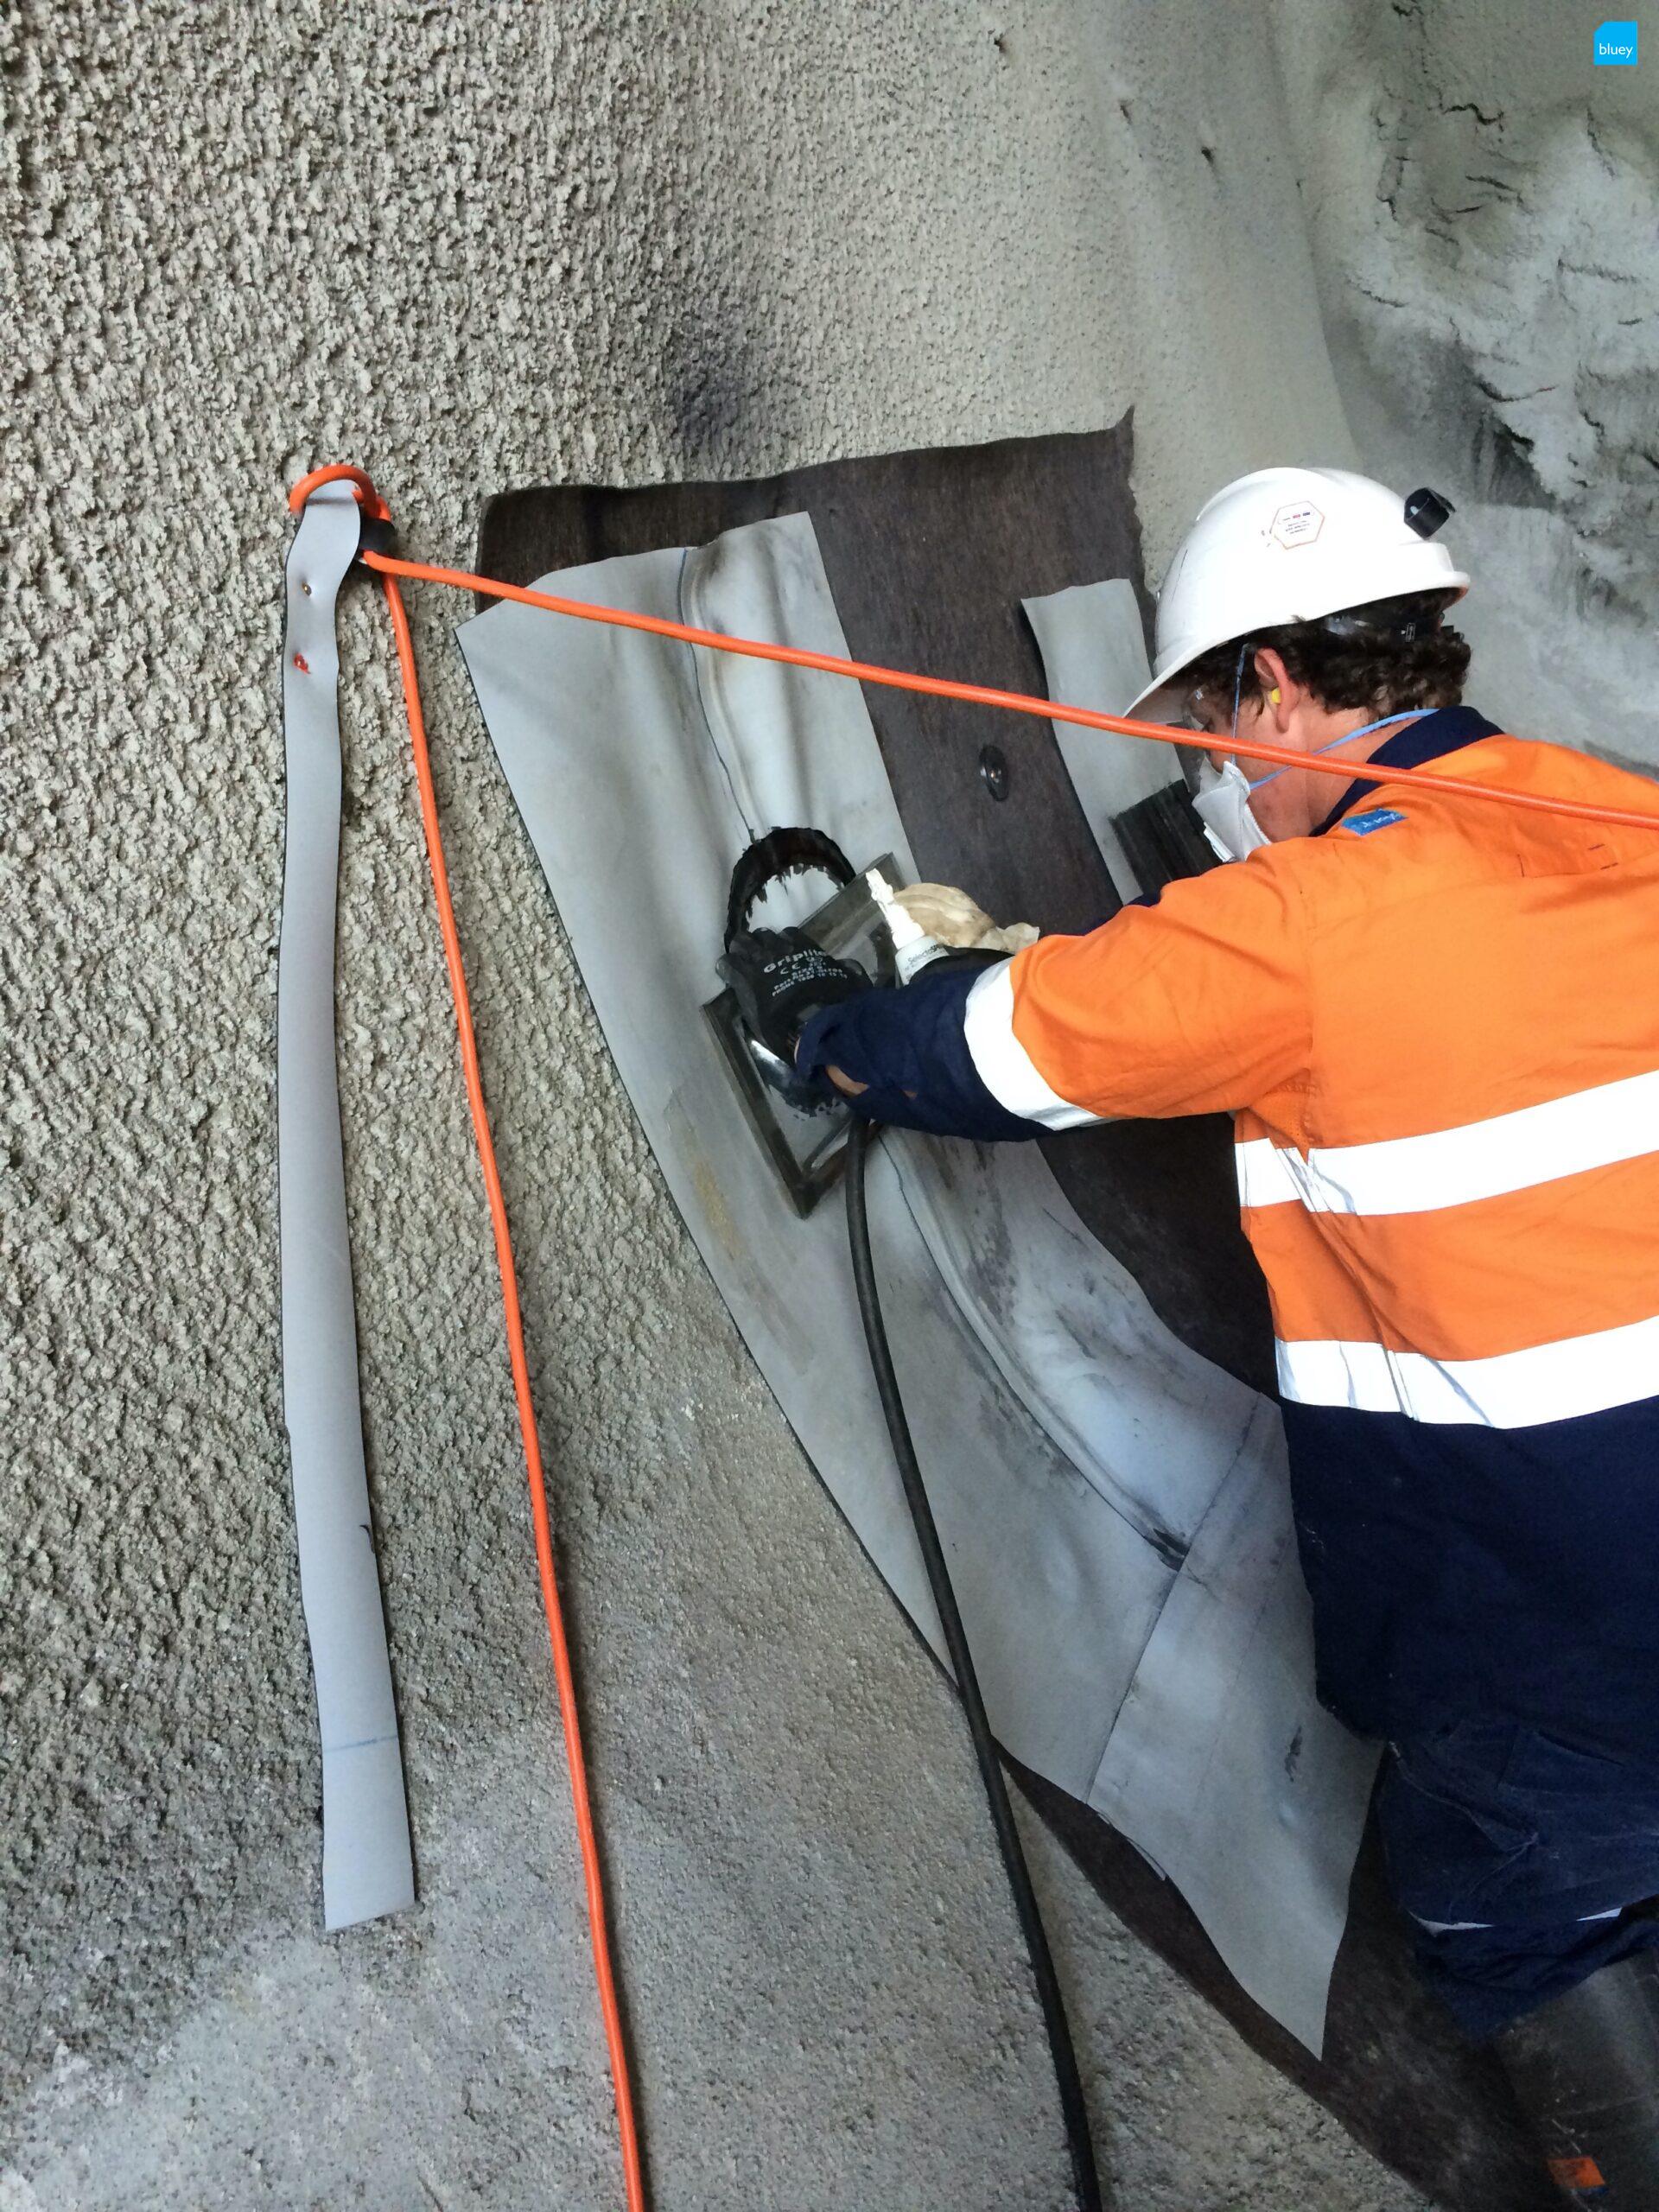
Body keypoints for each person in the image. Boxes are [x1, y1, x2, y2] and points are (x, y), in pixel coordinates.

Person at [728, 467, 1659, 2187]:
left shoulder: (1304, 922)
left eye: (1214, 734)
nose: (1217, 777)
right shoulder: (1623, 814)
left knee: (1525, 1899)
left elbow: (996, 1052)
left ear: (1278, 686)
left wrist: (834, 1027)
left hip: (1560, 1606)